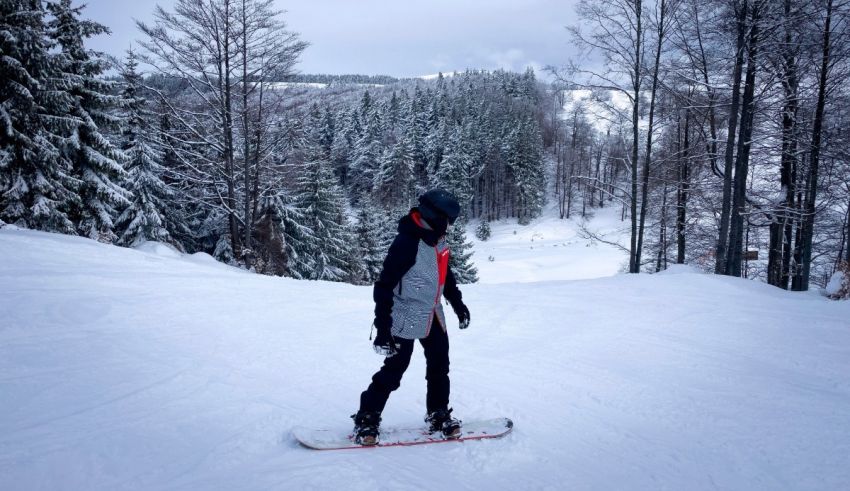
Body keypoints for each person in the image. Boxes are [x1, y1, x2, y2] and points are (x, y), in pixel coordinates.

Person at [351, 189, 471, 446]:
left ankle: (438, 413)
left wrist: (458, 303)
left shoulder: (437, 241)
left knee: (439, 366)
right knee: (394, 370)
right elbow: (383, 286)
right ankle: (367, 417)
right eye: (447, 220)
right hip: (404, 314)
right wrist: (383, 328)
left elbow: (445, 277)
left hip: (433, 315)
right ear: (435, 216)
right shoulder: (407, 242)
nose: (448, 226)